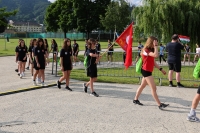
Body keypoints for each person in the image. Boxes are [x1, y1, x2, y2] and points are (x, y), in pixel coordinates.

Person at [133, 36, 169, 110]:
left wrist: (161, 69)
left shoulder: (150, 50)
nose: (156, 44)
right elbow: (156, 55)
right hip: (146, 71)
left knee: (142, 85)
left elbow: (153, 61)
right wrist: (156, 47)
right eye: (155, 42)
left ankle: (135, 99)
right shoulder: (145, 50)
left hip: (148, 70)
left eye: (157, 43)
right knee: (153, 88)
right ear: (151, 42)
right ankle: (159, 104)